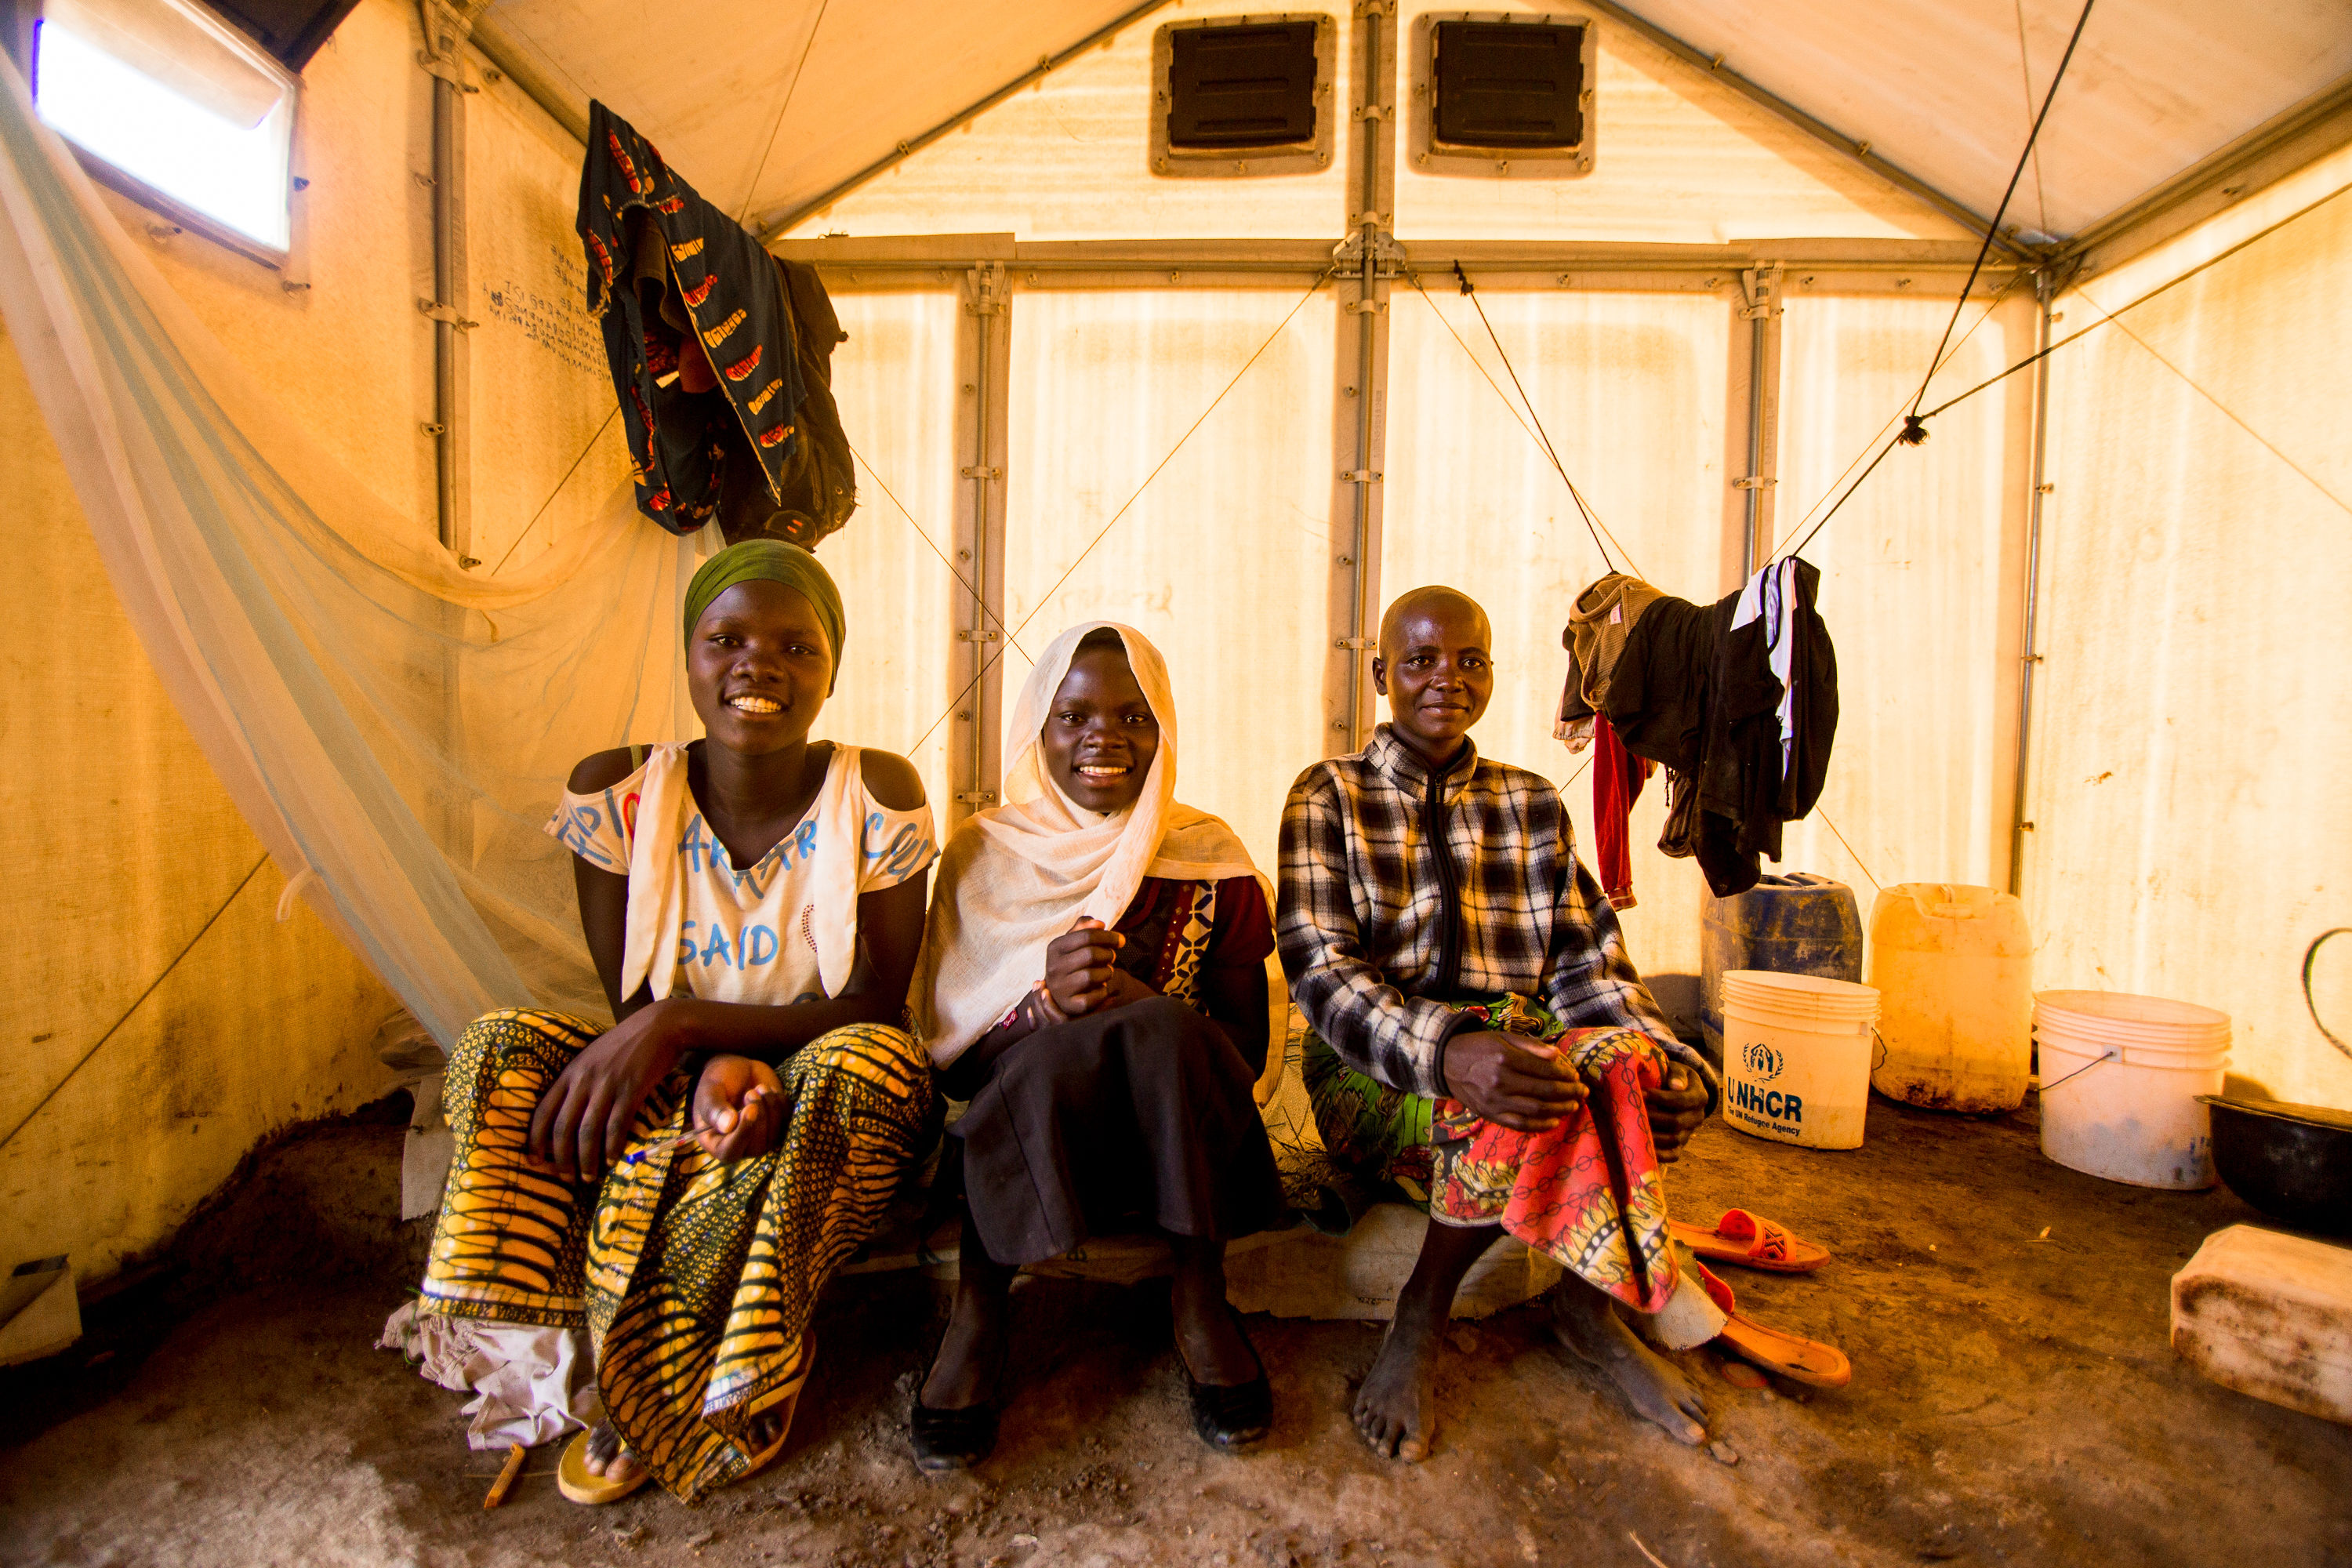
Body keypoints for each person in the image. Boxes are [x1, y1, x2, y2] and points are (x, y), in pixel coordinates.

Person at [416, 539, 938, 1504]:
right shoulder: (617, 790)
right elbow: (632, 1001)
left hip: (826, 1071)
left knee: (862, 1065)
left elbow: (875, 1001)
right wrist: (686, 1046)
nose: (758, 663)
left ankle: (730, 1370)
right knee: (500, 1047)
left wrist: (697, 1031)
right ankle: (563, 1343)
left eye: (796, 645)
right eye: (725, 638)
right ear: (689, 657)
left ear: (831, 671)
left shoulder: (878, 792)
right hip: (679, 1055)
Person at [1278, 586, 1719, 1463]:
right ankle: (1420, 1315)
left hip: (1518, 1043)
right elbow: (1322, 975)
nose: (1447, 678)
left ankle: (1588, 1309)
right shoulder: (1328, 793)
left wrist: (1672, 1070)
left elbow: (1591, 967)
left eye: (1469, 659)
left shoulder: (1530, 804)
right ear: (1381, 676)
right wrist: (1448, 1052)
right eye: (1421, 660)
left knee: (1623, 1064)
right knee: (1513, 1089)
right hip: (1372, 1069)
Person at [909, 623, 1286, 1469]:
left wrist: (1150, 1005)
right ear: (1038, 730)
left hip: (1174, 1149)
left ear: (1165, 730)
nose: (1103, 739)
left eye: (1133, 716)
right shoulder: (986, 853)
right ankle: (980, 1307)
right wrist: (1039, 1008)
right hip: (1038, 1150)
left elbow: (1248, 1054)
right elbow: (959, 1066)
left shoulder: (1210, 858)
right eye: (1073, 715)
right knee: (1044, 1054)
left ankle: (1199, 1296)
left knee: (1154, 1026)